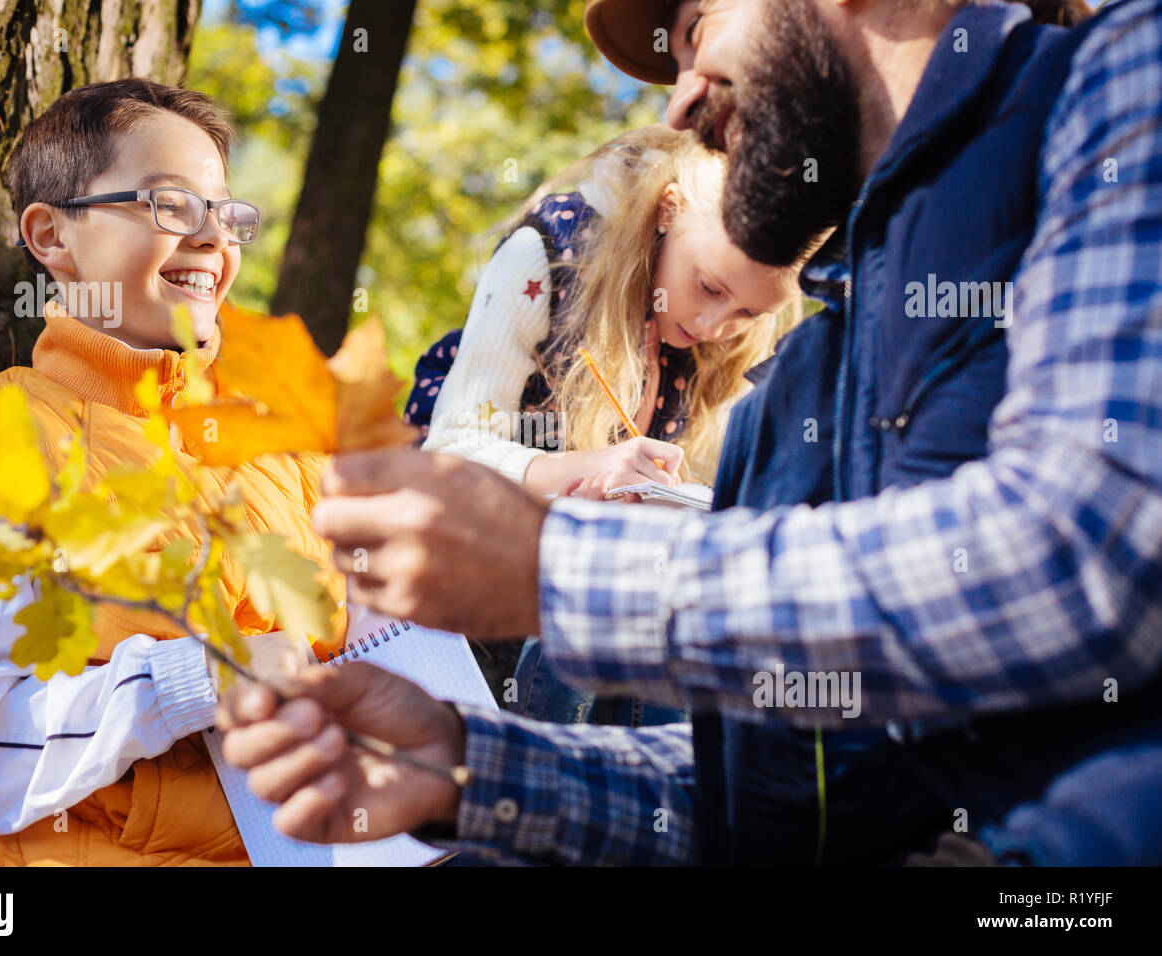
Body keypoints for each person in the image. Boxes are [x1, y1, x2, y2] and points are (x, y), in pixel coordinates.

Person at [219, 0, 1162, 866]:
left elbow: (1090, 548)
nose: (677, 108)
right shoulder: (805, 381)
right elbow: (790, 795)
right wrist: (470, 770)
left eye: (699, 25)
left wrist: (556, 570)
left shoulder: (1126, 79)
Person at [0, 79, 343, 866]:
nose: (214, 237)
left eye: (227, 213)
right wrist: (198, 678)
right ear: (53, 236)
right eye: (172, 206)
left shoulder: (284, 441)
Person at [406, 124, 807, 728]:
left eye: (749, 313)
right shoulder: (551, 255)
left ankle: (650, 799)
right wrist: (582, 469)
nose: (715, 324)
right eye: (709, 287)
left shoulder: (716, 344)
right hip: (462, 570)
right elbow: (450, 451)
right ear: (669, 209)